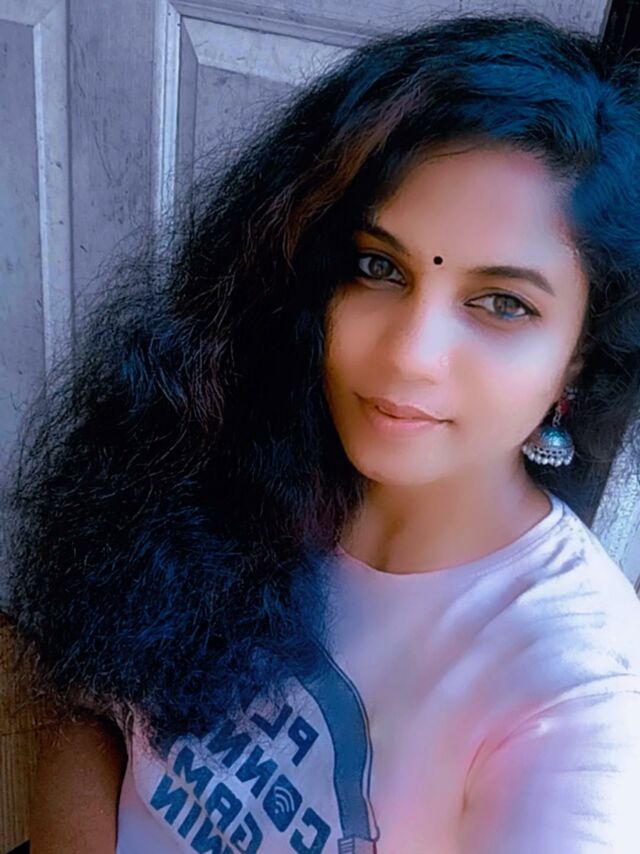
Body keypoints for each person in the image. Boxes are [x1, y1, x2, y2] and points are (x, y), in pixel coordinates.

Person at [3, 10, 640, 854]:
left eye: (502, 303)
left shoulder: (580, 693)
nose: (409, 355)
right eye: (379, 268)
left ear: (578, 358)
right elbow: (91, 700)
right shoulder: (238, 431)